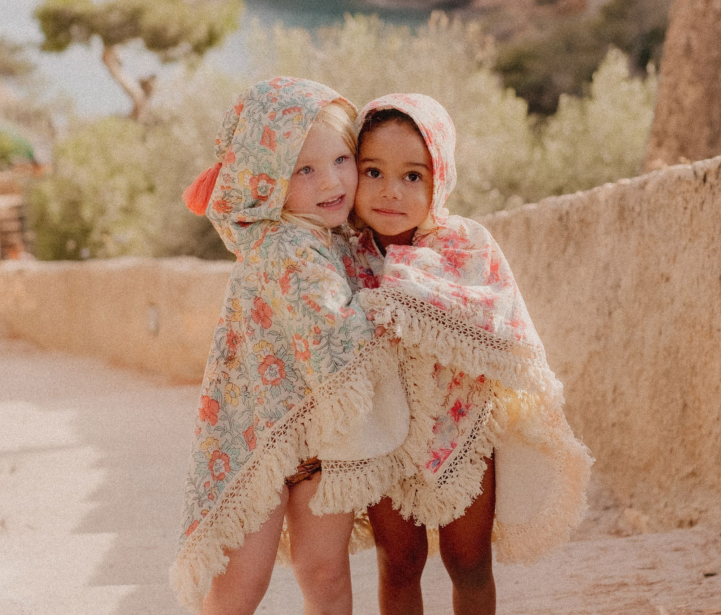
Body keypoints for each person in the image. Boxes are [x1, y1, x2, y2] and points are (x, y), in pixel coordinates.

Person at [170, 77, 410, 615]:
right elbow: (337, 336)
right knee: (239, 589)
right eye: (304, 169)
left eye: (343, 160)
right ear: (266, 179)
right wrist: (402, 313)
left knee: (326, 576)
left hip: (321, 445)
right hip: (257, 442)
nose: (332, 182)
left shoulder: (339, 240)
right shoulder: (281, 245)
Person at [348, 94, 595, 615]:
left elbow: (497, 321)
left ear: (441, 178)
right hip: (384, 434)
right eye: (373, 171)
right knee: (399, 561)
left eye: (413, 176)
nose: (391, 191)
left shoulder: (466, 245)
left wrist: (404, 295)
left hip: (464, 425)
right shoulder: (345, 256)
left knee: (470, 562)